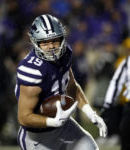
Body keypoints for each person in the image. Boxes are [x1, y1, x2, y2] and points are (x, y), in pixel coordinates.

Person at [15, 14, 107, 150]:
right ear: (35, 42)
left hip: (63, 127)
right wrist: (52, 121)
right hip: (37, 137)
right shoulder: (32, 70)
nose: (51, 47)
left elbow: (72, 86)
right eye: (45, 42)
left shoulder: (65, 54)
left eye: (55, 40)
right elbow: (24, 117)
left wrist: (90, 112)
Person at [101, 56, 130, 150]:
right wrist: (108, 104)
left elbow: (116, 82)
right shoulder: (127, 62)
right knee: (126, 139)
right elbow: (116, 82)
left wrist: (107, 105)